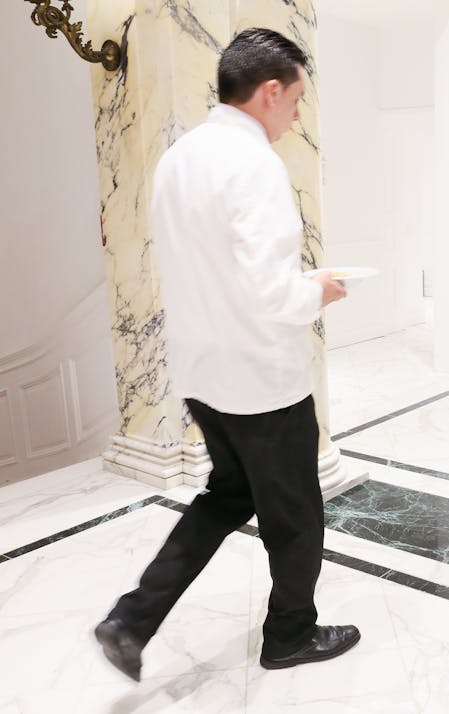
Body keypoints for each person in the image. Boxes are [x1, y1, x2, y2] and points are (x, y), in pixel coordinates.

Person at [93, 29, 359, 682]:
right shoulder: (255, 165)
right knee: (295, 516)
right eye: (296, 100)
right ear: (270, 92)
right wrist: (318, 291)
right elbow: (270, 292)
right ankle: (291, 635)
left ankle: (132, 618)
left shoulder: (179, 157)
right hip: (261, 379)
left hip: (202, 374)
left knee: (225, 495)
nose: (297, 115)